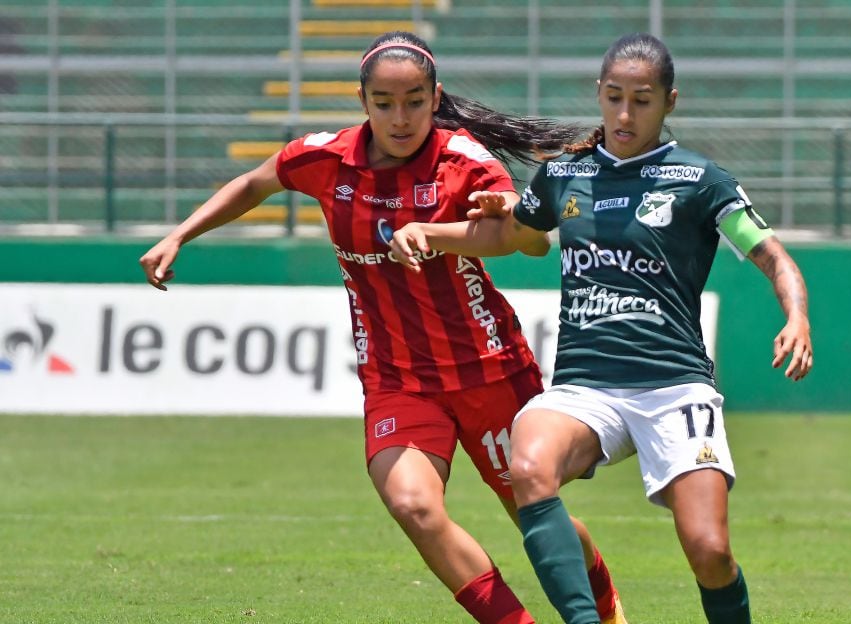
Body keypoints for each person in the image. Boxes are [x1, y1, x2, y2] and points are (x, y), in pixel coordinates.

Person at [138, 31, 627, 624]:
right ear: (362, 100)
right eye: (386, 103)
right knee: (414, 506)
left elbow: (530, 245)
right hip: (396, 378)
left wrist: (506, 218)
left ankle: (606, 605)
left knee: (531, 509)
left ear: (435, 96)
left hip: (488, 370)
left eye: (416, 101)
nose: (401, 117)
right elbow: (253, 184)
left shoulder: (464, 161)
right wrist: (179, 235)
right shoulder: (323, 158)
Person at [389, 32, 813, 624]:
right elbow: (514, 236)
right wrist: (431, 232)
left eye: (641, 100)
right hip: (586, 389)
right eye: (613, 96)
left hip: (674, 386)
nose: (623, 112)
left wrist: (796, 314)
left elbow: (773, 256)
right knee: (529, 467)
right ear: (598, 94)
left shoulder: (699, 179)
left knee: (710, 553)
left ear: (670, 102)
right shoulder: (566, 175)